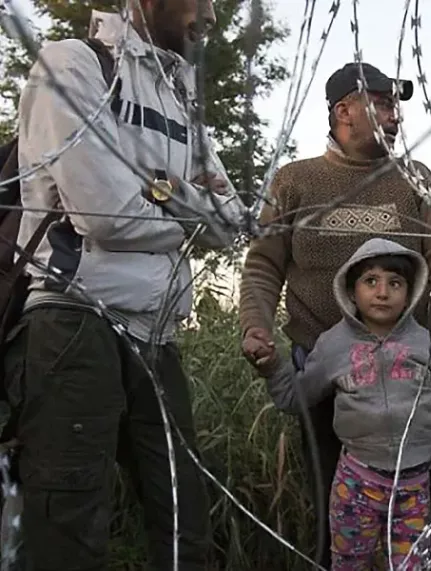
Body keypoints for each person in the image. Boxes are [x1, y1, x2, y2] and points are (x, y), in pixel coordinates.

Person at [5, 3, 247, 570]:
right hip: (74, 322)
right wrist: (187, 197)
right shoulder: (71, 66)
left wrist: (157, 189)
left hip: (155, 334)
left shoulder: (181, 101)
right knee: (68, 529)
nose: (210, 14)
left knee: (186, 521)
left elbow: (232, 220)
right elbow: (107, 216)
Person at [238, 61, 431, 569]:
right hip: (325, 376)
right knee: (339, 521)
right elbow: (262, 265)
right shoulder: (295, 181)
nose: (395, 116)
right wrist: (256, 328)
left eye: (396, 105)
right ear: (343, 110)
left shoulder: (415, 179)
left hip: (411, 375)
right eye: (384, 103)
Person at [262, 237, 431, 570]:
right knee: (347, 563)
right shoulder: (334, 345)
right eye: (370, 281)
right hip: (356, 485)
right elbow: (294, 397)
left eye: (395, 283)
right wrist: (272, 366)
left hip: (414, 489)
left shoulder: (426, 344)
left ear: (410, 293)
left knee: (411, 566)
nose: (383, 292)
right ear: (351, 290)